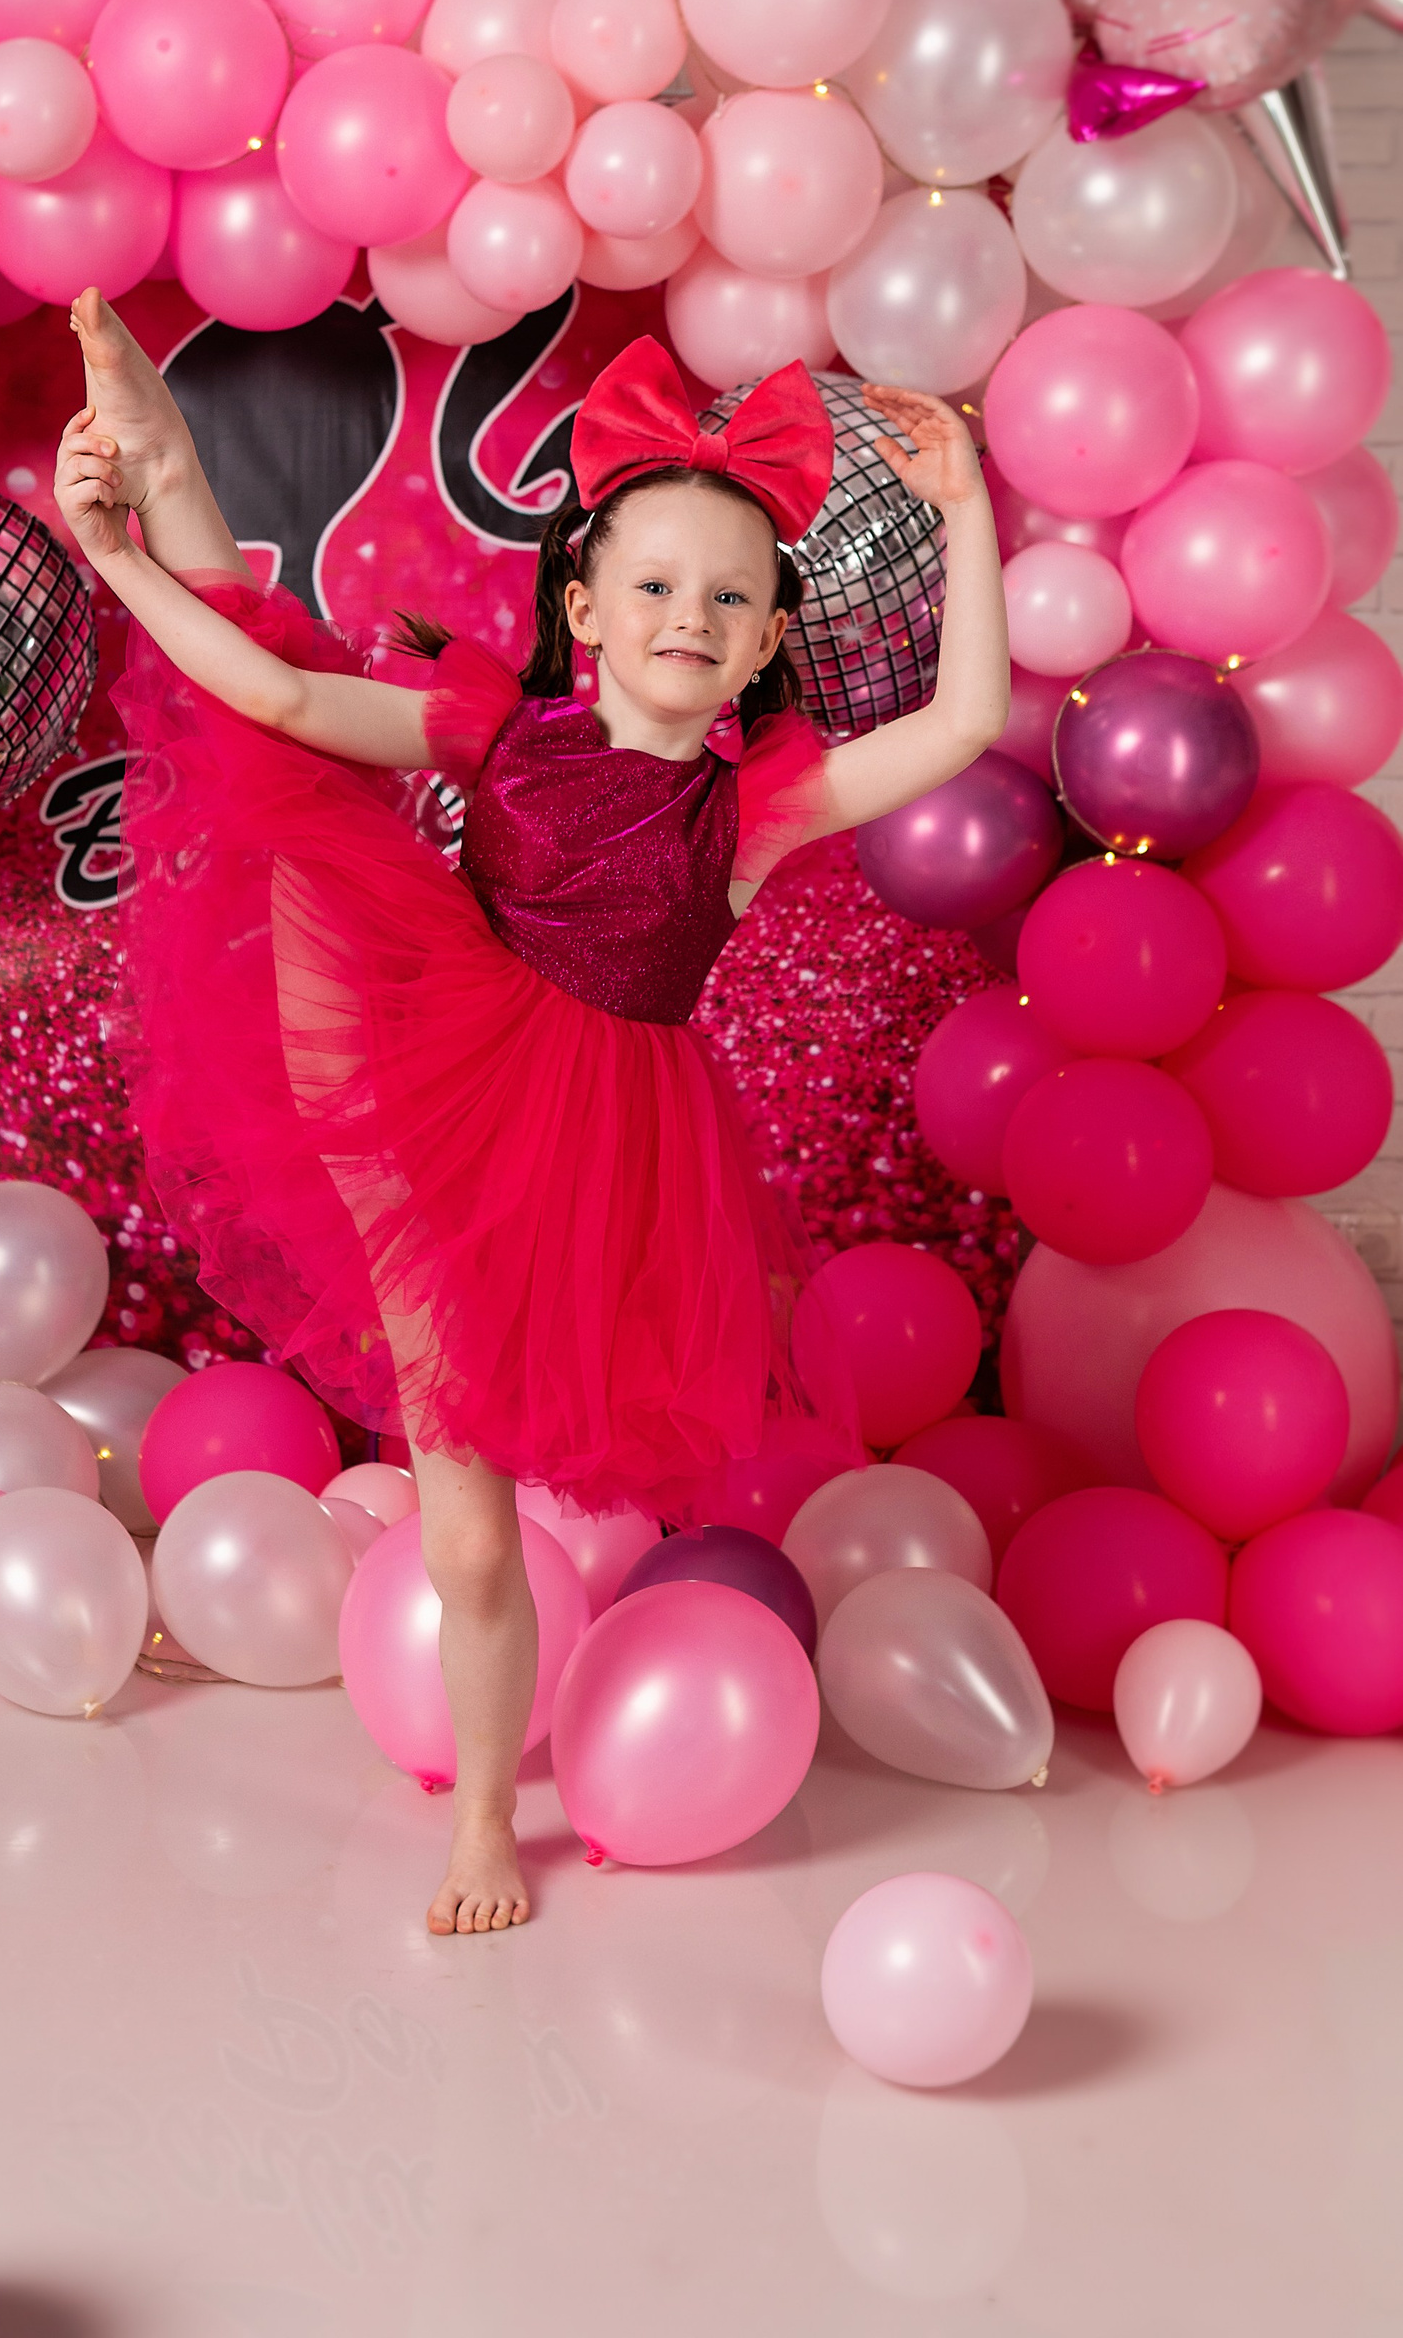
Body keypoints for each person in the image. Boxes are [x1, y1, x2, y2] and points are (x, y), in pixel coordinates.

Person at [54, 292, 1009, 1938]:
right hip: (421, 1081)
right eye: (655, 586)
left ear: (766, 645)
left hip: (597, 1158)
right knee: (304, 767)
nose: (690, 616)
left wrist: (967, 512)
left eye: (730, 597)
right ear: (584, 605)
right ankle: (170, 465)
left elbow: (966, 720)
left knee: (493, 1537)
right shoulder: (495, 724)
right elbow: (285, 706)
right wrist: (116, 559)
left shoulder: (756, 806)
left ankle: (487, 1814)